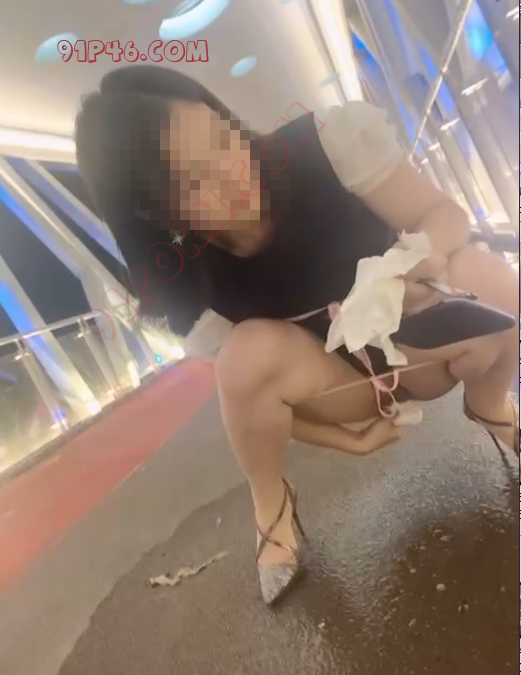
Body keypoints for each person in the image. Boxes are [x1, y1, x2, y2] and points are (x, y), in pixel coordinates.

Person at [75, 65, 519, 605]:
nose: (234, 174)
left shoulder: (328, 145)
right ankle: (271, 507)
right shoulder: (189, 283)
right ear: (154, 210)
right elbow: (251, 401)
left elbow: (441, 213)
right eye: (195, 181)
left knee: (488, 276)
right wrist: (349, 441)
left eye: (224, 140)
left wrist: (421, 259)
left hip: (420, 334)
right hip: (343, 384)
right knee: (243, 358)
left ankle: (490, 403)